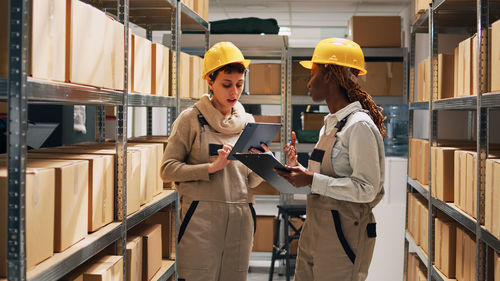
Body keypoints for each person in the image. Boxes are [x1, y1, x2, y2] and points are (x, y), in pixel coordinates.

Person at [275, 38, 386, 281]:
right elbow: (326, 178)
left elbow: (368, 189)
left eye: (313, 73)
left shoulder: (359, 126)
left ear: (329, 76)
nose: (308, 82)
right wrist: (298, 170)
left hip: (344, 236)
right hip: (316, 228)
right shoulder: (331, 124)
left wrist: (311, 179)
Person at [160, 42, 263, 281]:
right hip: (201, 221)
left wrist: (261, 161)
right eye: (226, 85)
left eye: (239, 85)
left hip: (240, 219)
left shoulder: (248, 122)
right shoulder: (190, 120)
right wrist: (211, 168)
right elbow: (167, 170)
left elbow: (253, 182)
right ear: (210, 81)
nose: (234, 92)